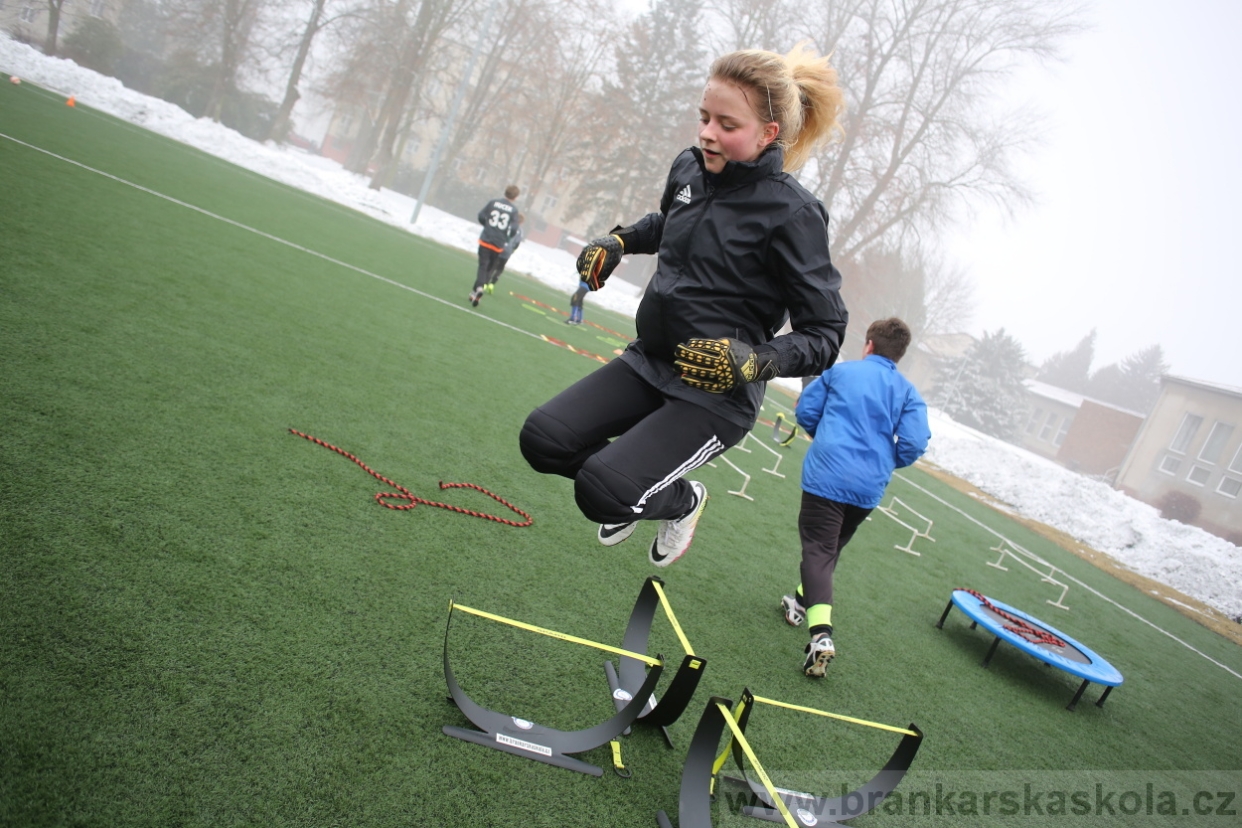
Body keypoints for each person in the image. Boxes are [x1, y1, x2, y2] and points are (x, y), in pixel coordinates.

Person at [519, 44, 848, 568]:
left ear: (768, 134)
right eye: (704, 117)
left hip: (715, 396)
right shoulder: (690, 170)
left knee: (601, 491)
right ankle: (635, 486)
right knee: (543, 440)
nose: (707, 133)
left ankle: (681, 500)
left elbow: (826, 332)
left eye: (726, 124)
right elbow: (670, 222)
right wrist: (620, 241)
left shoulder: (795, 214)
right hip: (649, 361)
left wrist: (755, 360)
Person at [780, 318, 931, 677]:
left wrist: (827, 438)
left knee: (818, 551)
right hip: (868, 487)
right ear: (900, 355)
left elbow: (806, 411)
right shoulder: (908, 393)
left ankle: (820, 635)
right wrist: (885, 460)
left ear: (868, 345)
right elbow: (913, 442)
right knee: (829, 550)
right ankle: (800, 602)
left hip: (827, 476)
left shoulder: (840, 373)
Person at [470, 185, 519, 306]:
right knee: (489, 268)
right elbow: (513, 229)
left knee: (483, 265)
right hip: (498, 243)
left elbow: (481, 216)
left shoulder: (493, 202)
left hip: (486, 239)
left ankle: (478, 288)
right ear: (516, 197)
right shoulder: (513, 210)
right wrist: (506, 236)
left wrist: (487, 226)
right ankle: (475, 292)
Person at [485, 213, 525, 294]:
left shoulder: (506, 225)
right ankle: (492, 284)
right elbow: (517, 243)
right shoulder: (520, 231)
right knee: (500, 268)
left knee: (492, 265)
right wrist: (512, 250)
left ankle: (485, 283)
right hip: (508, 251)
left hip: (499, 247)